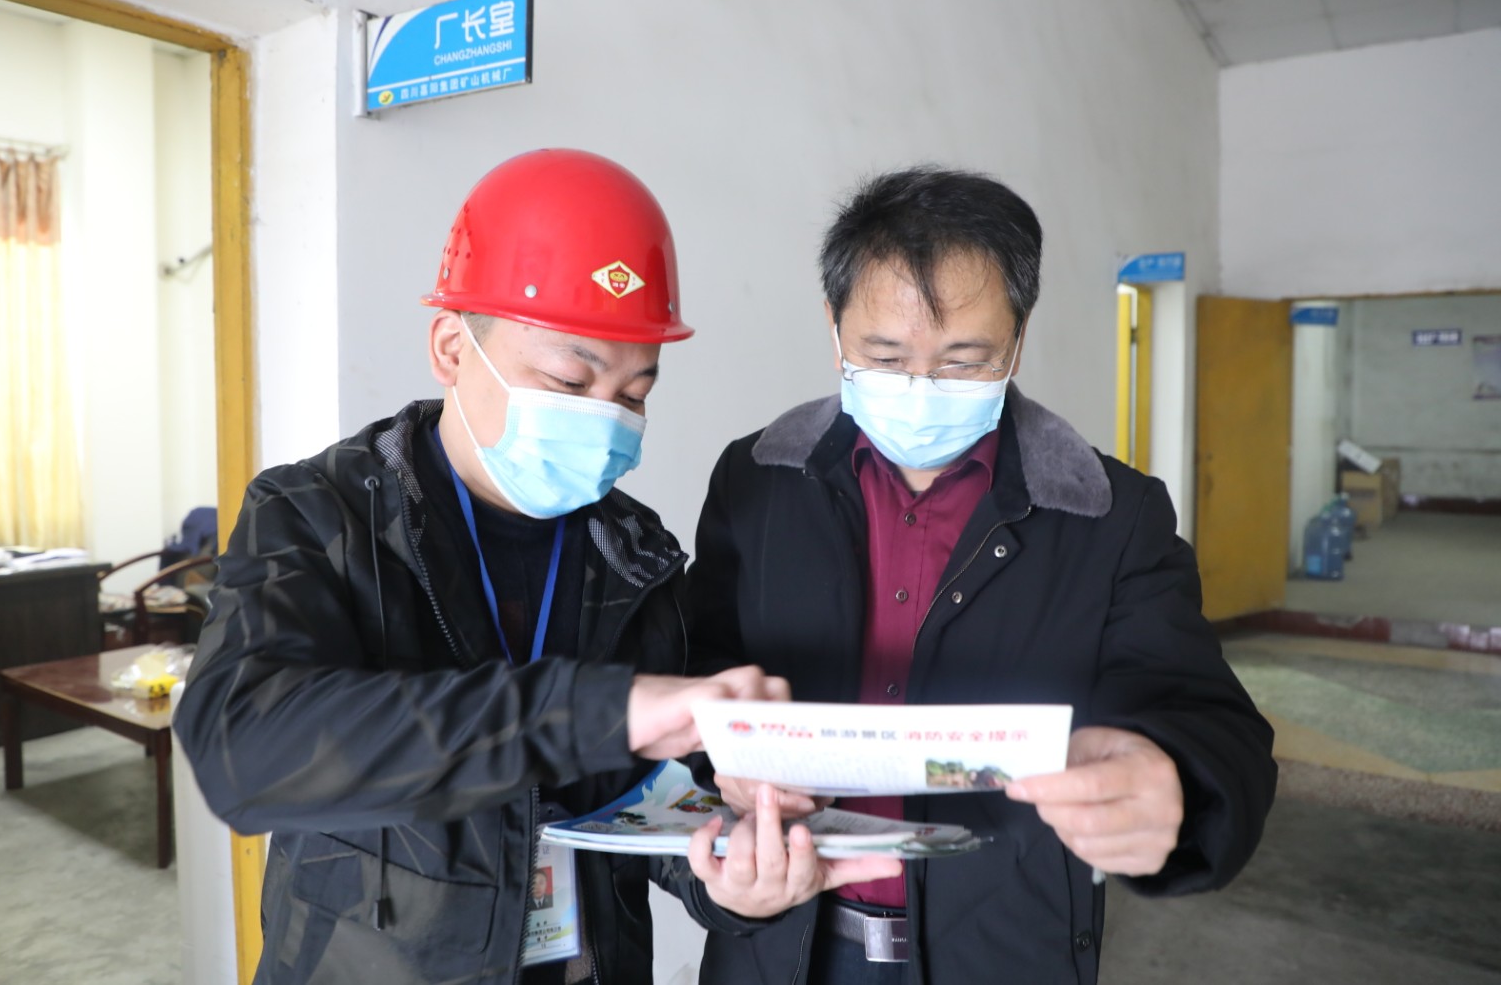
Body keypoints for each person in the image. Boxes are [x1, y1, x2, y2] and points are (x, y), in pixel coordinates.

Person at [173, 150, 895, 985]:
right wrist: (600, 709)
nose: (605, 419)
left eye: (634, 394)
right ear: (452, 348)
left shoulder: (634, 557)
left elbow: (656, 797)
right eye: (568, 380)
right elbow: (244, 749)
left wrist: (731, 878)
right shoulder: (318, 514)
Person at [685, 167, 1278, 984]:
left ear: (1017, 341)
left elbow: (1210, 719)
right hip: (780, 946)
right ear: (833, 326)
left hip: (998, 950)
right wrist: (724, 782)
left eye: (964, 360)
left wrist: (1173, 779)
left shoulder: (1109, 515)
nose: (920, 387)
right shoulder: (757, 480)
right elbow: (698, 675)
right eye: (884, 355)